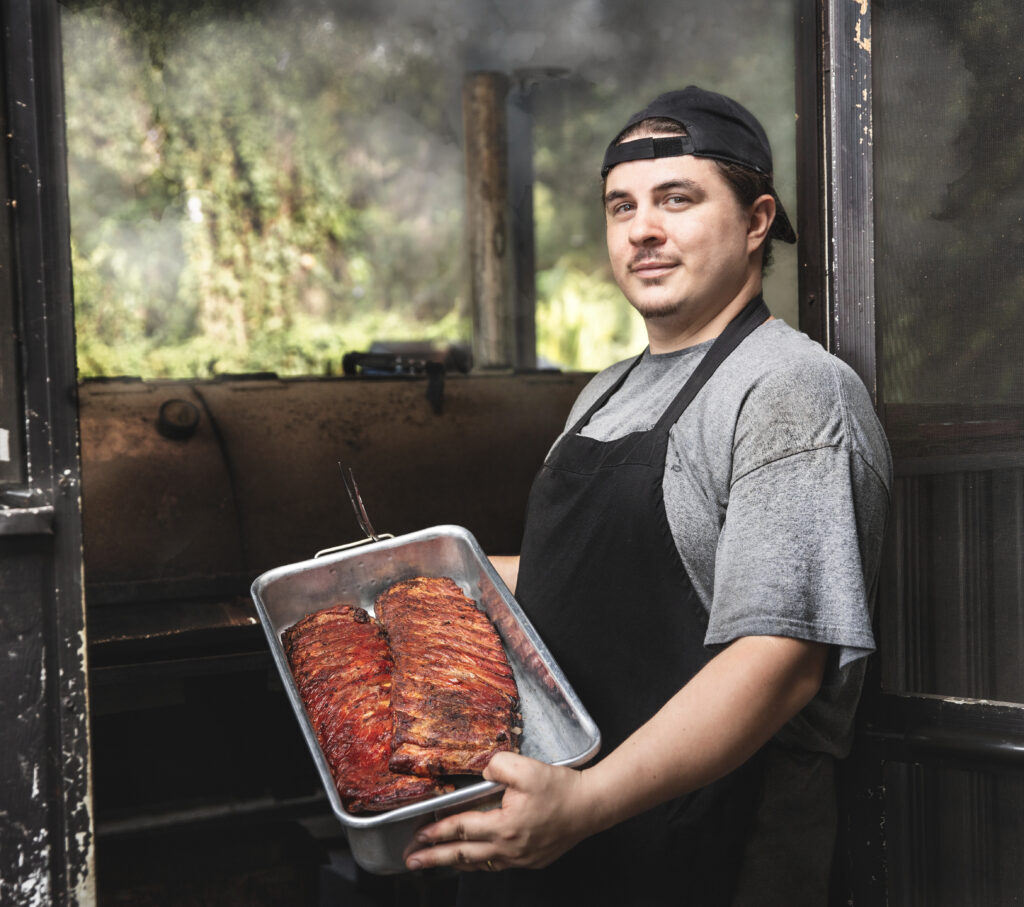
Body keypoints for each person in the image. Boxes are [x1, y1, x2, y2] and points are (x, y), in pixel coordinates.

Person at [404, 86, 892, 906]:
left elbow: (779, 659)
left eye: (678, 198)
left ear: (757, 219)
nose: (643, 229)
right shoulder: (605, 390)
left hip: (702, 853)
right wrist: (432, 573)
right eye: (620, 205)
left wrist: (586, 803)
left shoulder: (792, 389)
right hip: (564, 851)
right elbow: (593, 585)